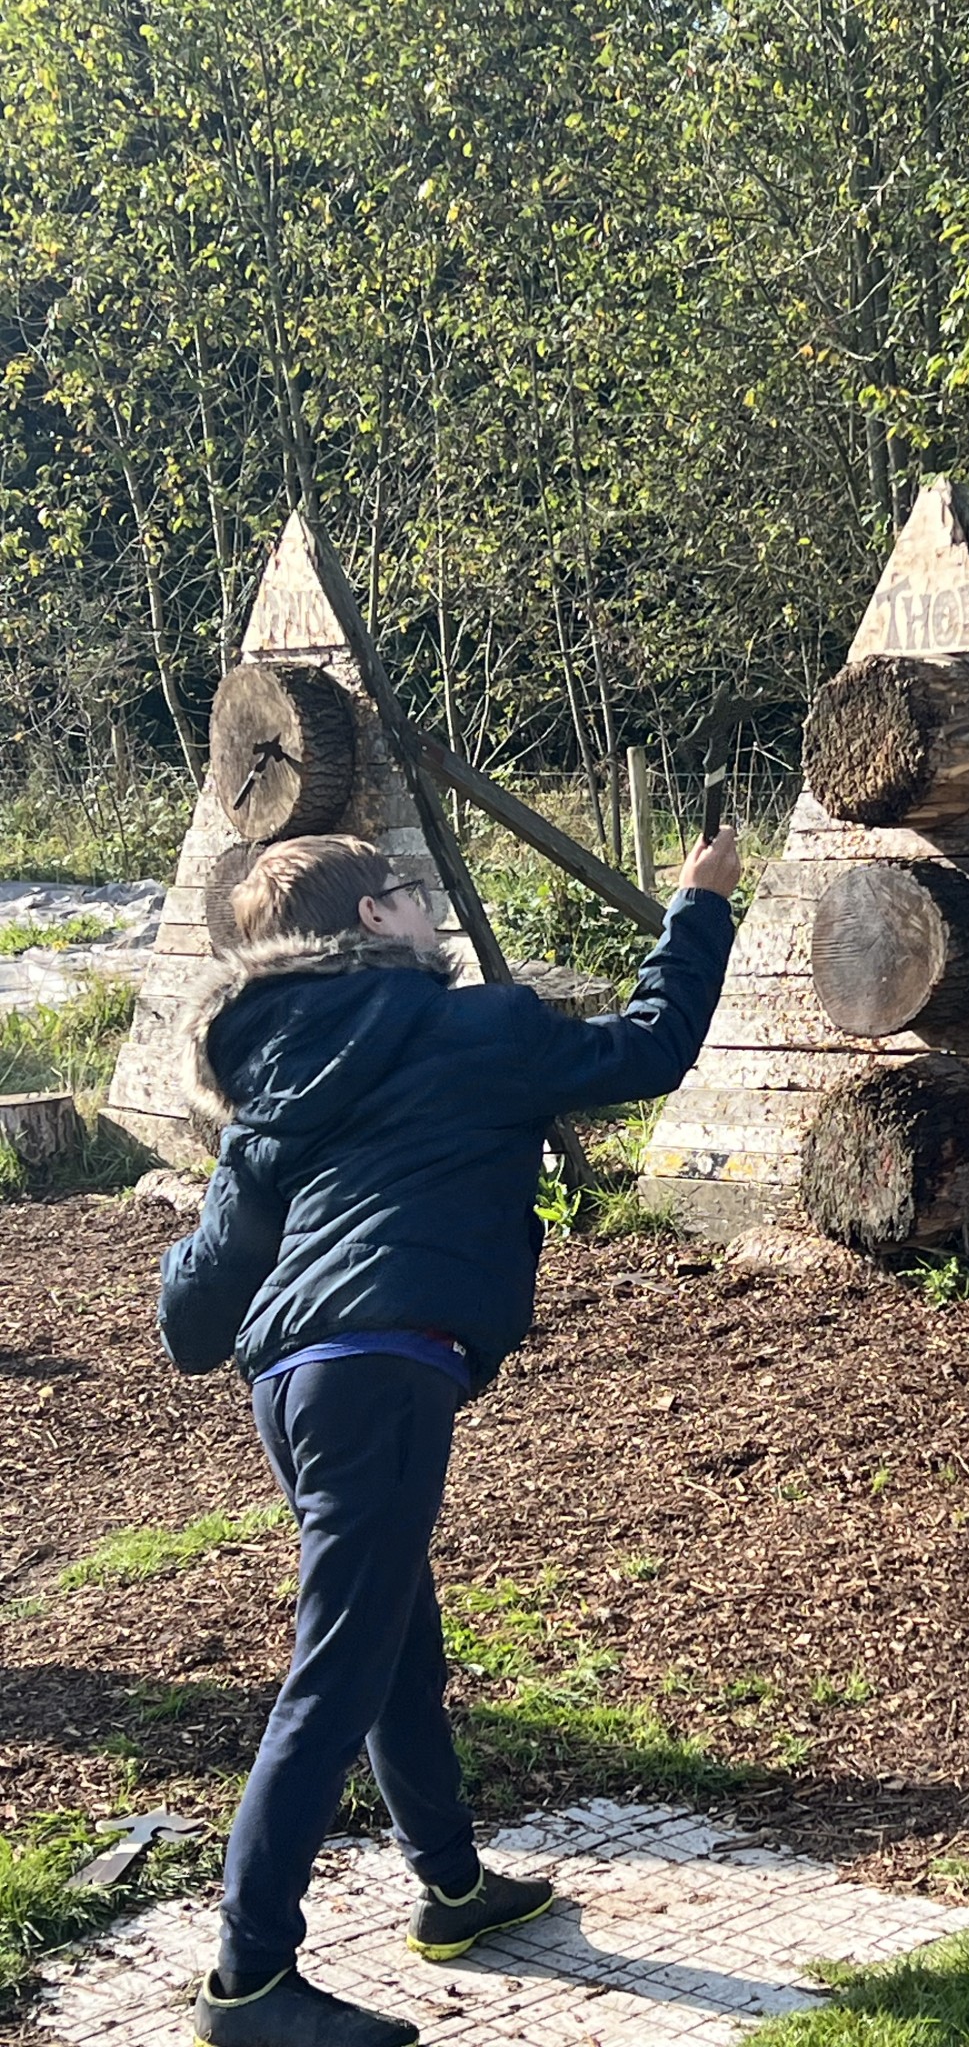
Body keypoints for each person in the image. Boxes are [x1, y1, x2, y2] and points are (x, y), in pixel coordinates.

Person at [158, 827, 739, 2047]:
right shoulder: (476, 1028)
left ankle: (454, 1887)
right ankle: (248, 1979)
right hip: (383, 1369)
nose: (434, 913)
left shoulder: (272, 1076)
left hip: (298, 1384)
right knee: (340, 1667)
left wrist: (196, 1279)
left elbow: (200, 1306)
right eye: (415, 895)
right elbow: (654, 1047)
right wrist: (695, 908)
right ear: (374, 919)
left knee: (392, 1639)